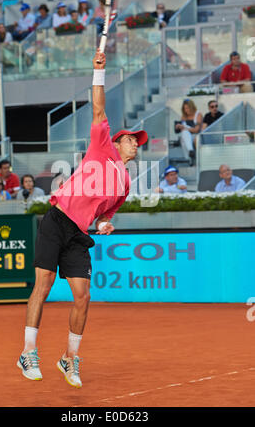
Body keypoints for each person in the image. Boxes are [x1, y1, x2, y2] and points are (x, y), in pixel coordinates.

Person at [17, 48, 148, 388]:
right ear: (117, 142)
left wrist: (104, 223)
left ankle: (69, 358)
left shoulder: (125, 183)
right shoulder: (101, 145)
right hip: (56, 220)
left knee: (83, 296)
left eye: (138, 142)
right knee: (43, 285)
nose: (136, 145)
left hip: (78, 234)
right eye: (132, 140)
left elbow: (105, 214)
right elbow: (99, 107)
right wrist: (98, 72)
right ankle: (28, 351)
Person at [175, 99, 203, 164]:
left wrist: (184, 128)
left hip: (196, 135)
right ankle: (191, 150)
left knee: (184, 134)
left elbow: (196, 130)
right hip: (186, 136)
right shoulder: (184, 116)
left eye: (188, 108)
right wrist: (178, 126)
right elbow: (182, 130)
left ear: (192, 107)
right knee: (184, 133)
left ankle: (190, 158)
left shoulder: (198, 114)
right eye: (185, 108)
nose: (187, 110)